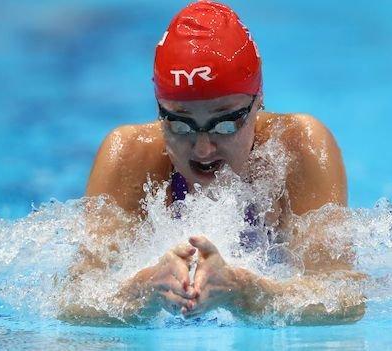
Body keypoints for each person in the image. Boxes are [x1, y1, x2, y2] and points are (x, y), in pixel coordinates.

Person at [61, 0, 365, 325]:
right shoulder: (130, 155)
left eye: (225, 123)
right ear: (159, 110)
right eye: (179, 123)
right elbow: (72, 300)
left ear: (258, 101)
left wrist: (248, 293)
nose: (203, 149)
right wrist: (140, 292)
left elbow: (345, 297)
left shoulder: (296, 150)